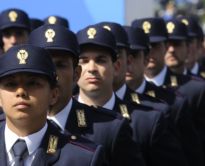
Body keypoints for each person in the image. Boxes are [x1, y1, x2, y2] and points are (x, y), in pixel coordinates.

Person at [27, 24, 145, 166]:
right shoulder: (8, 126)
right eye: (44, 65)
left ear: (76, 73)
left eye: (61, 65)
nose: (54, 74)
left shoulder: (110, 128)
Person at [76, 25, 187, 166]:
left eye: (100, 60)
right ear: (75, 69)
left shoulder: (148, 121)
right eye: (84, 61)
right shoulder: (56, 119)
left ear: (116, 67)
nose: (91, 68)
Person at [132, 17, 205, 166]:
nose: (150, 52)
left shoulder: (193, 90)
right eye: (145, 47)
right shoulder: (125, 90)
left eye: (155, 45)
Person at [0, 44, 108, 165]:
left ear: (53, 95)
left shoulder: (84, 159)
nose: (21, 92)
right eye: (10, 84)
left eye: (33, 82)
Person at [123, 25, 204, 166]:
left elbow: (191, 155)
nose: (127, 64)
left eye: (134, 55)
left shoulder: (169, 104)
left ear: (146, 59)